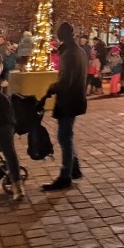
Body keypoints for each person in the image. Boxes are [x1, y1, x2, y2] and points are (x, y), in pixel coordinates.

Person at [40, 21, 87, 191]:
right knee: (67, 135)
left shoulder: (69, 53)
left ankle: (66, 174)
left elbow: (66, 80)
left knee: (64, 137)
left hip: (68, 100)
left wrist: (51, 88)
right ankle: (73, 168)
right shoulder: (78, 51)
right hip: (75, 99)